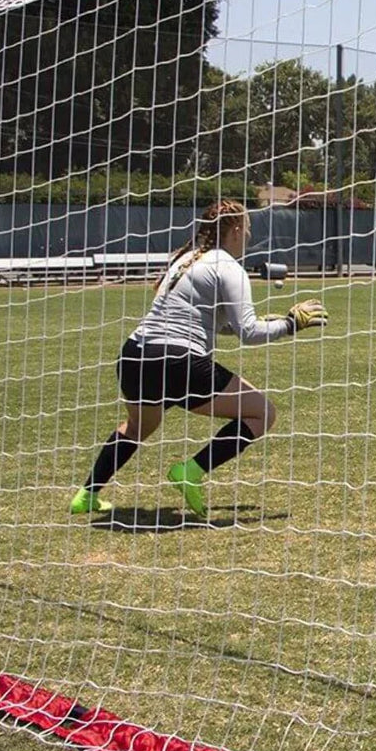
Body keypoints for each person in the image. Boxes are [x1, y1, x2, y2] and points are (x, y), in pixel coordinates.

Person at [70, 199, 328, 518]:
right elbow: (248, 333)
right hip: (178, 361)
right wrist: (291, 324)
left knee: (138, 428)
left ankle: (86, 494)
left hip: (135, 355)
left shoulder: (187, 260)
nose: (248, 235)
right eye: (246, 228)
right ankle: (190, 472)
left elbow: (222, 325)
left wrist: (270, 321)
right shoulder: (228, 267)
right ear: (234, 229)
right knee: (262, 413)